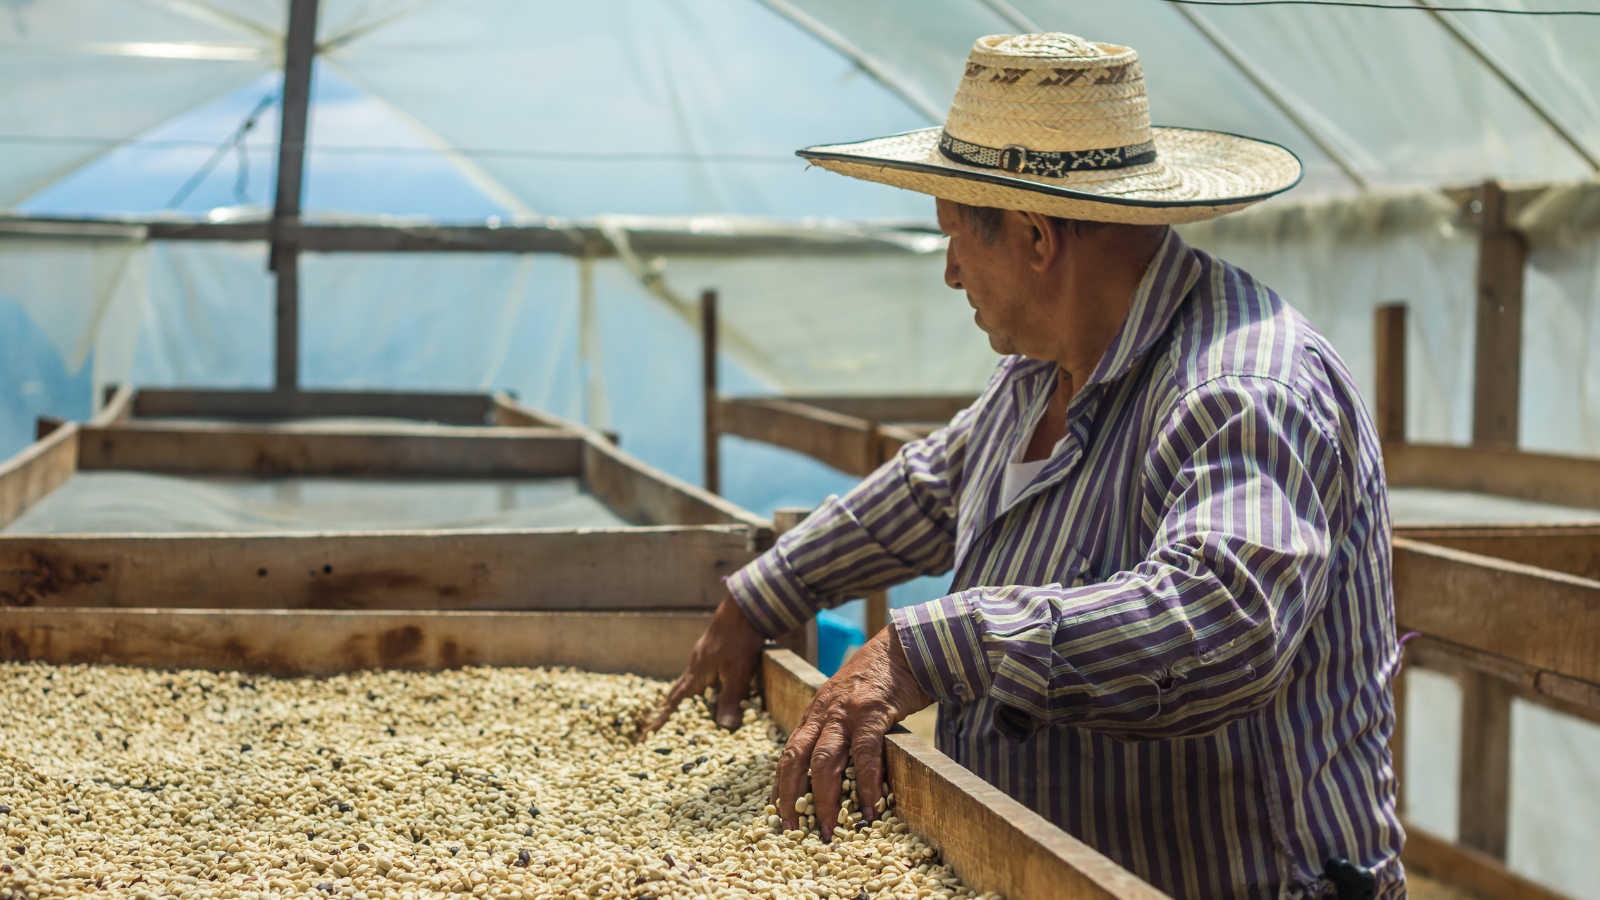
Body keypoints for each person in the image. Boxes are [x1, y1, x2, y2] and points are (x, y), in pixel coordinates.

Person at [650, 32, 1402, 900]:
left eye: (957, 239)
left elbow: (1222, 623)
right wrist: (766, 590)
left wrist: (936, 646)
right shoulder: (1045, 366)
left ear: (1036, 236)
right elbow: (939, 485)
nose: (949, 272)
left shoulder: (1241, 387)